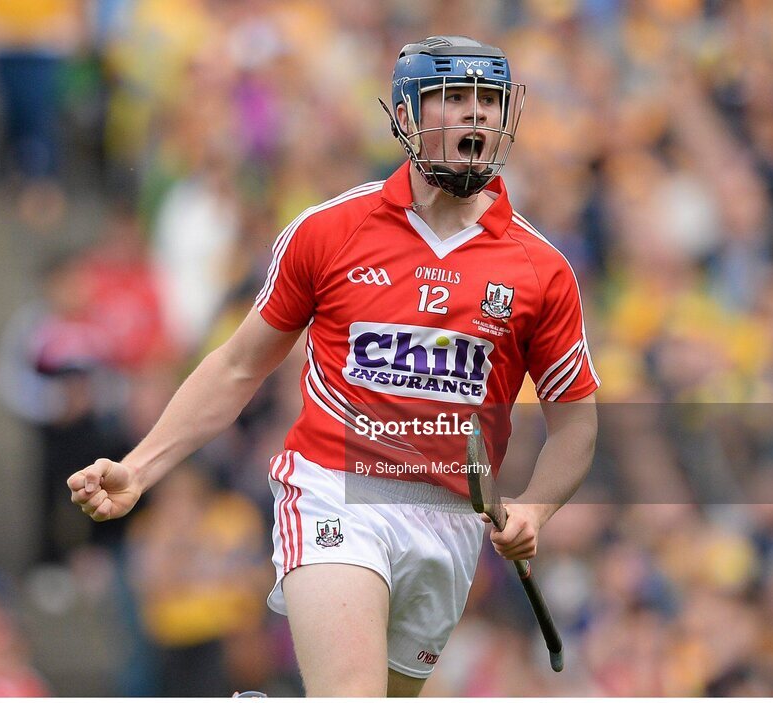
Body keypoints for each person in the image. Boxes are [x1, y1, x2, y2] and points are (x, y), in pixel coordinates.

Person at [68, 35, 599, 697]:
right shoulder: (330, 230)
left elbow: (576, 424)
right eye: (454, 99)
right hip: (335, 489)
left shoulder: (540, 268)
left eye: (488, 102)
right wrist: (139, 467)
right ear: (407, 116)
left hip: (452, 522)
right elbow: (237, 367)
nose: (476, 117)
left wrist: (537, 510)